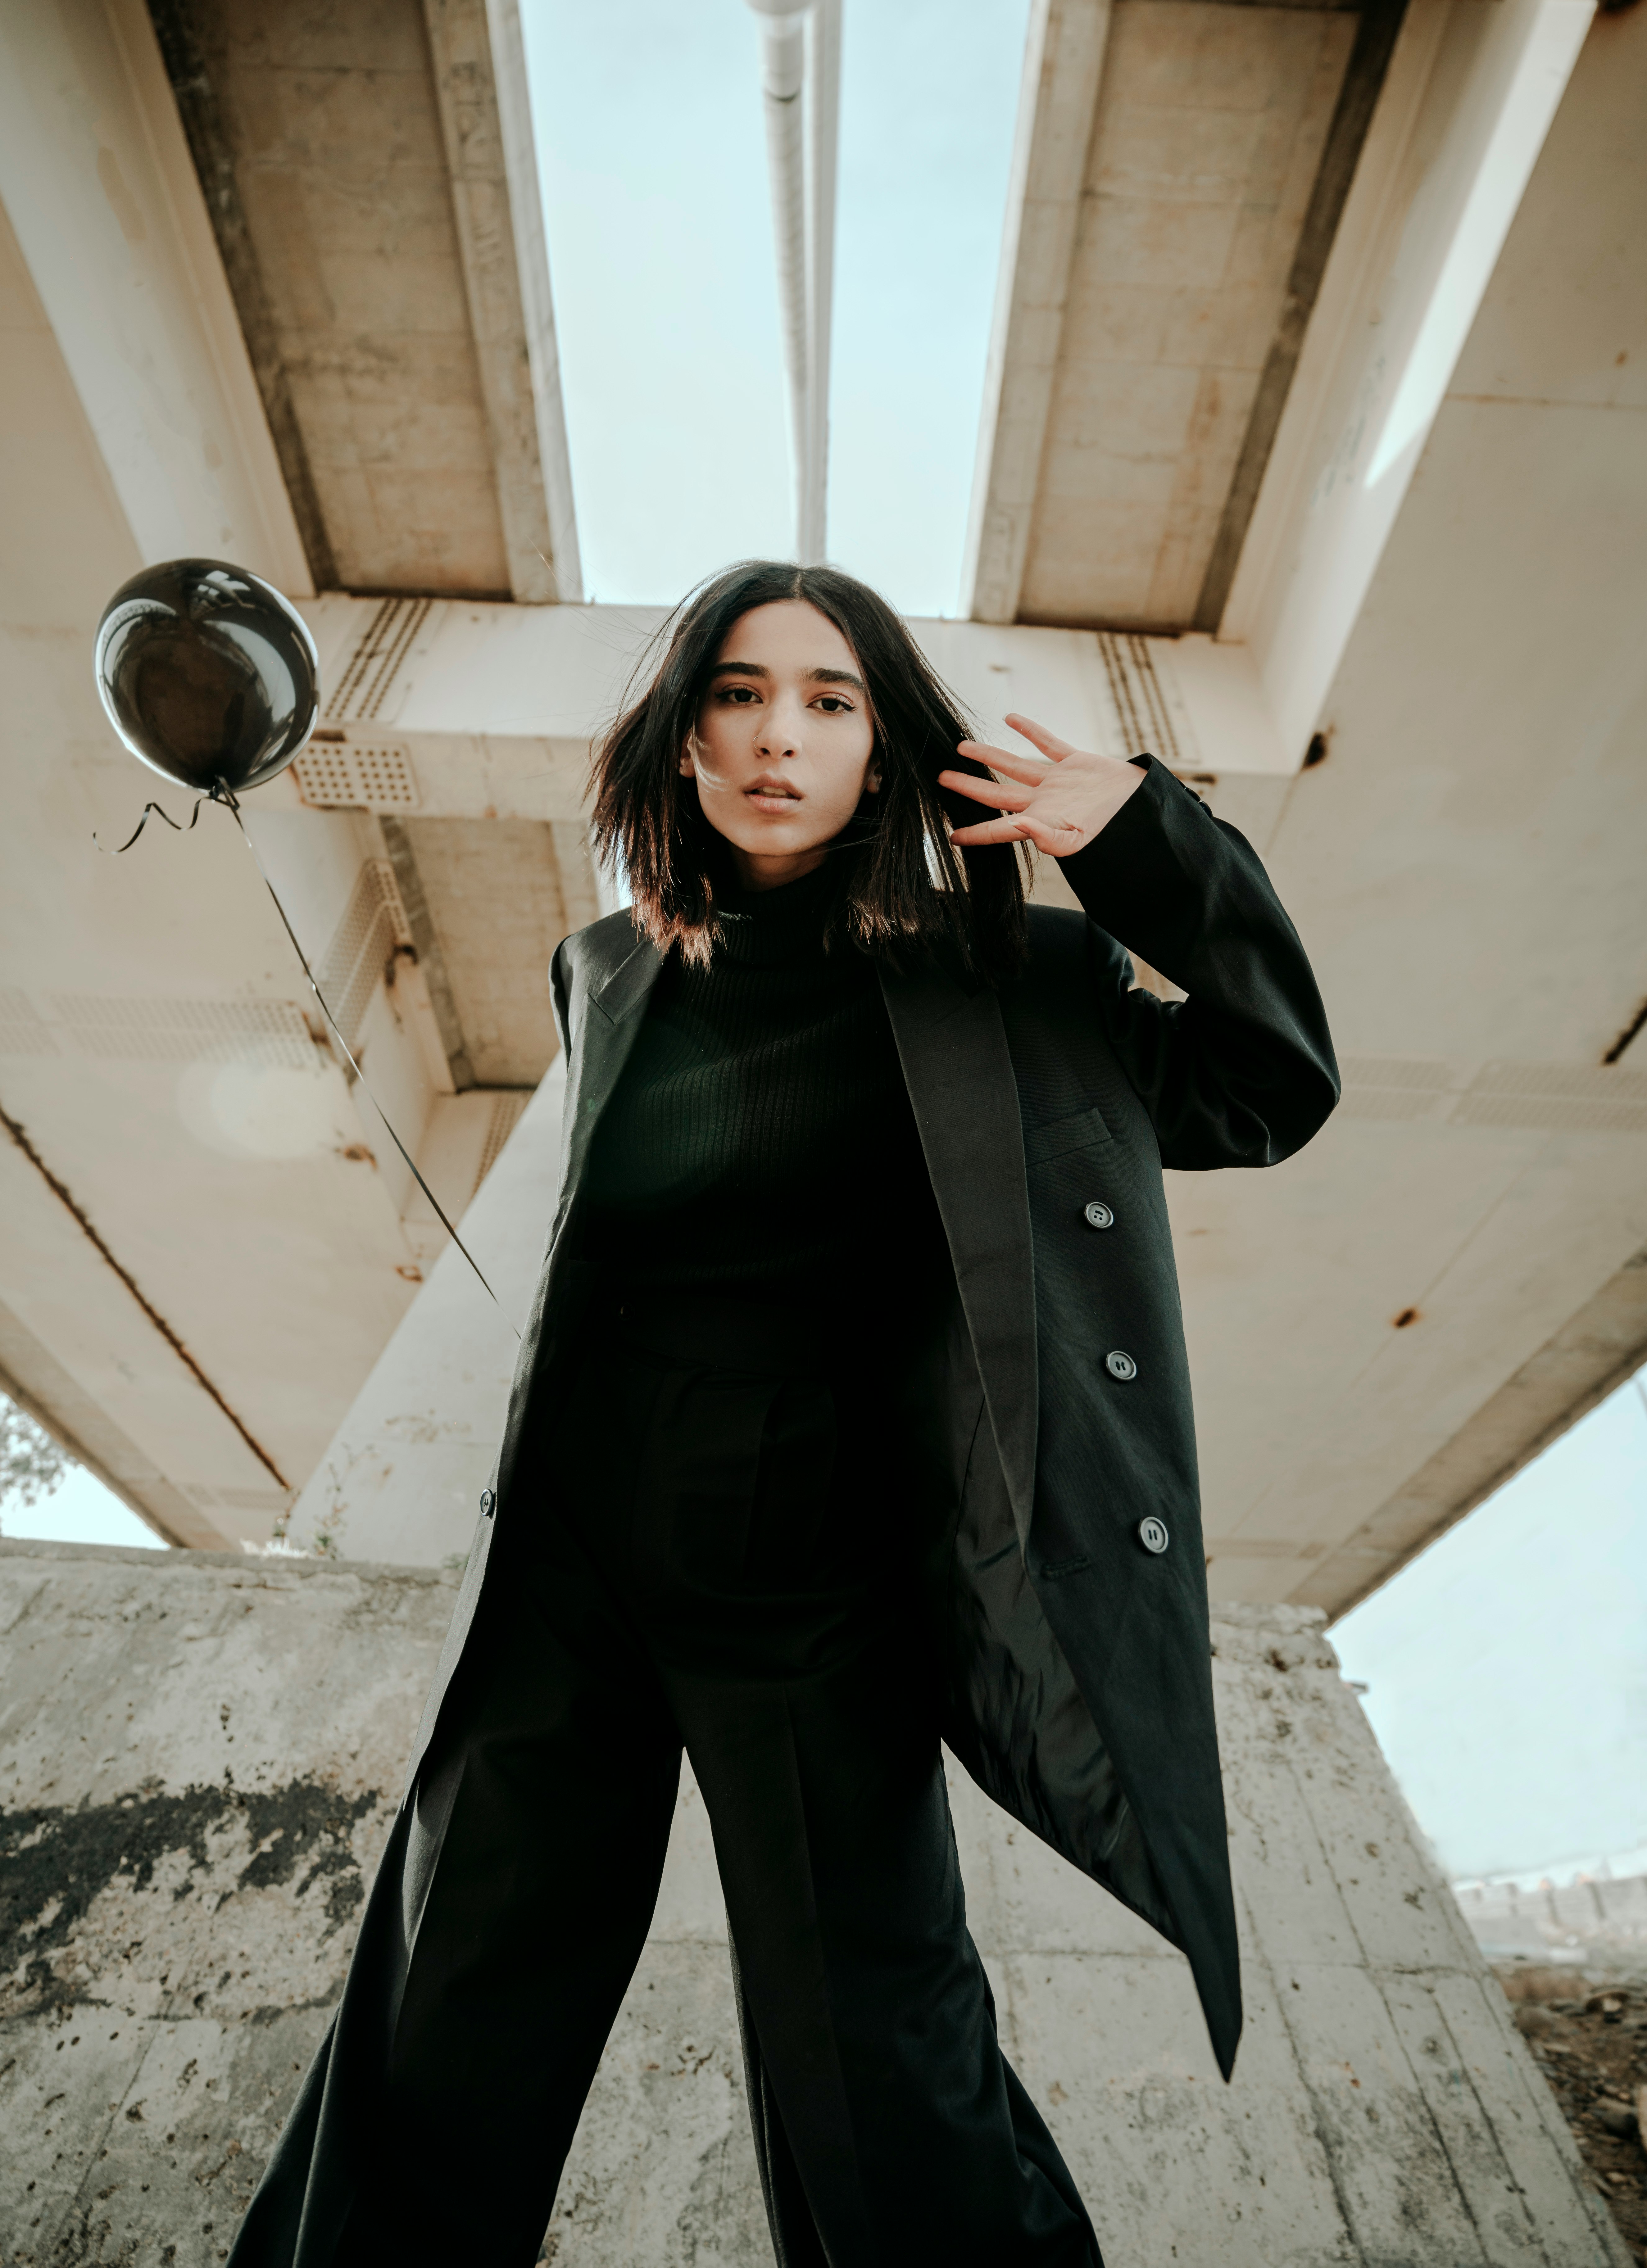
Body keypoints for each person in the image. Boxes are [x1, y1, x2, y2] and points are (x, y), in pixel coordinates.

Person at [229, 560, 1338, 2267]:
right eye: (740, 693)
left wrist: (1141, 842)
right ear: (679, 741)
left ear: (885, 753)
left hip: (822, 1576)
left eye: (831, 701)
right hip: (578, 1553)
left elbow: (1268, 1086)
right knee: (451, 2000)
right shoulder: (600, 967)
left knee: (874, 2036)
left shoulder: (1017, 975)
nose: (779, 736)